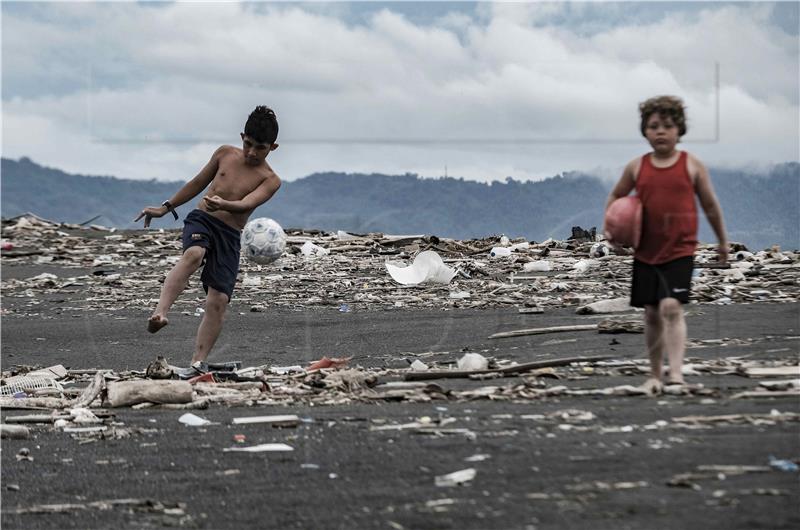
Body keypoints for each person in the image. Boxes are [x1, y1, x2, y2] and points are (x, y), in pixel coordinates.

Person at [135, 106, 281, 376]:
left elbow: (248, 203)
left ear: (272, 147)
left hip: (229, 234)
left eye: (259, 148)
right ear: (241, 136)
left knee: (219, 300)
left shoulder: (271, 180)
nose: (251, 152)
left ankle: (197, 363)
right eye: (247, 144)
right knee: (193, 255)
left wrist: (225, 204)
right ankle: (160, 313)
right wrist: (165, 207)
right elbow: (197, 183)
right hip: (202, 219)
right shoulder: (224, 154)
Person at [605, 95, 728, 395]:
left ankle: (676, 374)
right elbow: (616, 198)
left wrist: (723, 242)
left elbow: (710, 205)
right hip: (646, 251)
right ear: (645, 131)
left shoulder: (692, 165)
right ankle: (655, 374)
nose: (661, 131)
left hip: (680, 250)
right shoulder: (637, 167)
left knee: (672, 308)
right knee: (650, 313)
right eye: (654, 126)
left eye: (668, 126)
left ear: (680, 130)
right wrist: (612, 231)